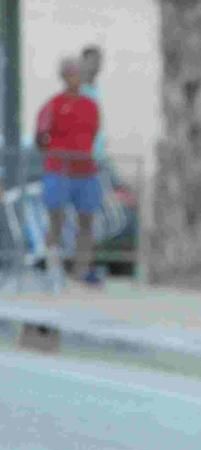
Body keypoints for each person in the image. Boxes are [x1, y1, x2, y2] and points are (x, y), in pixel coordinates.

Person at [35, 57, 101, 286]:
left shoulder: (90, 106)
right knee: (56, 219)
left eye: (78, 74)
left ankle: (82, 271)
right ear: (63, 76)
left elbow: (93, 134)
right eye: (71, 73)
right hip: (58, 170)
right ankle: (53, 268)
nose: (75, 78)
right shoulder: (52, 105)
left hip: (85, 171)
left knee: (87, 221)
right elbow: (41, 137)